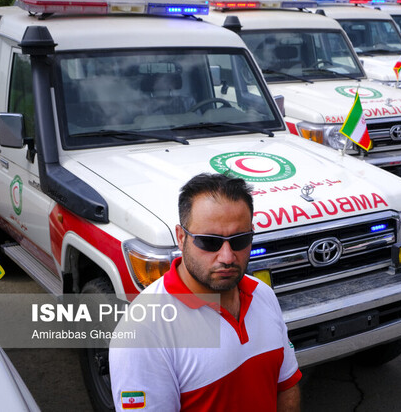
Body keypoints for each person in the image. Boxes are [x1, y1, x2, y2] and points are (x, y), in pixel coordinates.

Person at [109, 173, 302, 411]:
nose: (227, 257)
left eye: (240, 240)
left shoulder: (262, 294)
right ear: (181, 238)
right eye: (209, 242)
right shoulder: (143, 332)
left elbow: (285, 384)